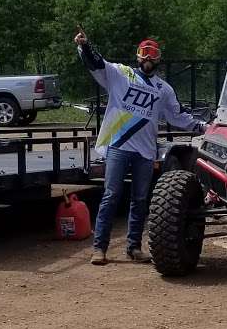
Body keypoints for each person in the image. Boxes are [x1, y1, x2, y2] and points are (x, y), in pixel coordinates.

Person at [75, 29, 203, 264]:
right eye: (144, 53)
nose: (148, 58)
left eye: (153, 54)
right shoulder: (120, 74)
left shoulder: (163, 89)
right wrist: (85, 46)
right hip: (119, 146)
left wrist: (203, 127)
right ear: (137, 56)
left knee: (141, 199)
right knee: (111, 195)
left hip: (145, 151)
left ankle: (133, 247)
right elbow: (97, 64)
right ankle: (99, 248)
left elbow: (178, 116)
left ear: (158, 59)